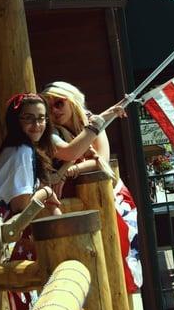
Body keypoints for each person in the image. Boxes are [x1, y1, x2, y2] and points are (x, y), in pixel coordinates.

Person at [42, 81, 143, 293]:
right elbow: (70, 152)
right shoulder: (48, 133)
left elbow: (102, 160)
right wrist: (83, 158)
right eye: (48, 106)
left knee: (120, 255)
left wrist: (69, 171)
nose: (54, 110)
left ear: (71, 101)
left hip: (110, 197)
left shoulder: (92, 120)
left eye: (59, 103)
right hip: (74, 205)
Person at [0, 93, 62, 310]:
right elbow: (21, 206)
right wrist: (45, 192)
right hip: (1, 238)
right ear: (16, 121)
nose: (37, 125)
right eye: (29, 118)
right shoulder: (22, 151)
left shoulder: (16, 149)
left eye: (41, 118)